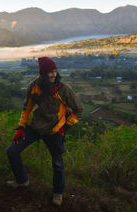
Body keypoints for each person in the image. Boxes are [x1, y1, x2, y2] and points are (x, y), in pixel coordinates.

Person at [6, 57, 83, 206]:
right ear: (42, 74)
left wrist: (65, 126)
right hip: (36, 127)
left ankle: (58, 193)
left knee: (58, 164)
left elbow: (78, 110)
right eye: (50, 72)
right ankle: (22, 181)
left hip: (55, 131)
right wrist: (21, 127)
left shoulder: (63, 89)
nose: (54, 74)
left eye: (55, 71)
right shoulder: (34, 86)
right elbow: (27, 108)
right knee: (12, 150)